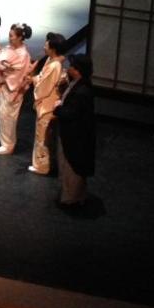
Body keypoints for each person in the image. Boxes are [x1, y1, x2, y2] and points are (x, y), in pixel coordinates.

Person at [54, 54, 96, 207]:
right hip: (72, 134)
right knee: (68, 165)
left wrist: (57, 109)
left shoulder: (82, 91)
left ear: (77, 70)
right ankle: (72, 195)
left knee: (72, 167)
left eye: (71, 66)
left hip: (76, 136)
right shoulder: (78, 84)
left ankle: (72, 198)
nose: (68, 67)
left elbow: (71, 113)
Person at [29, 32, 66, 175]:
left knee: (43, 137)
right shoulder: (51, 61)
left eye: (46, 43)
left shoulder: (54, 65)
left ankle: (42, 166)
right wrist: (34, 79)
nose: (44, 45)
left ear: (53, 48)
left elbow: (43, 87)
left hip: (47, 104)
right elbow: (42, 78)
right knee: (43, 135)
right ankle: (42, 164)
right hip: (47, 102)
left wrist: (33, 79)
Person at [0, 23, 33, 155]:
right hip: (5, 85)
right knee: (2, 114)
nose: (9, 38)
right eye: (9, 35)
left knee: (9, 117)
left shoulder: (23, 54)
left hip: (13, 88)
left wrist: (3, 68)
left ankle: (8, 144)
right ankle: (4, 142)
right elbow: (4, 61)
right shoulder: (10, 48)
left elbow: (18, 74)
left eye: (12, 36)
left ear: (20, 37)